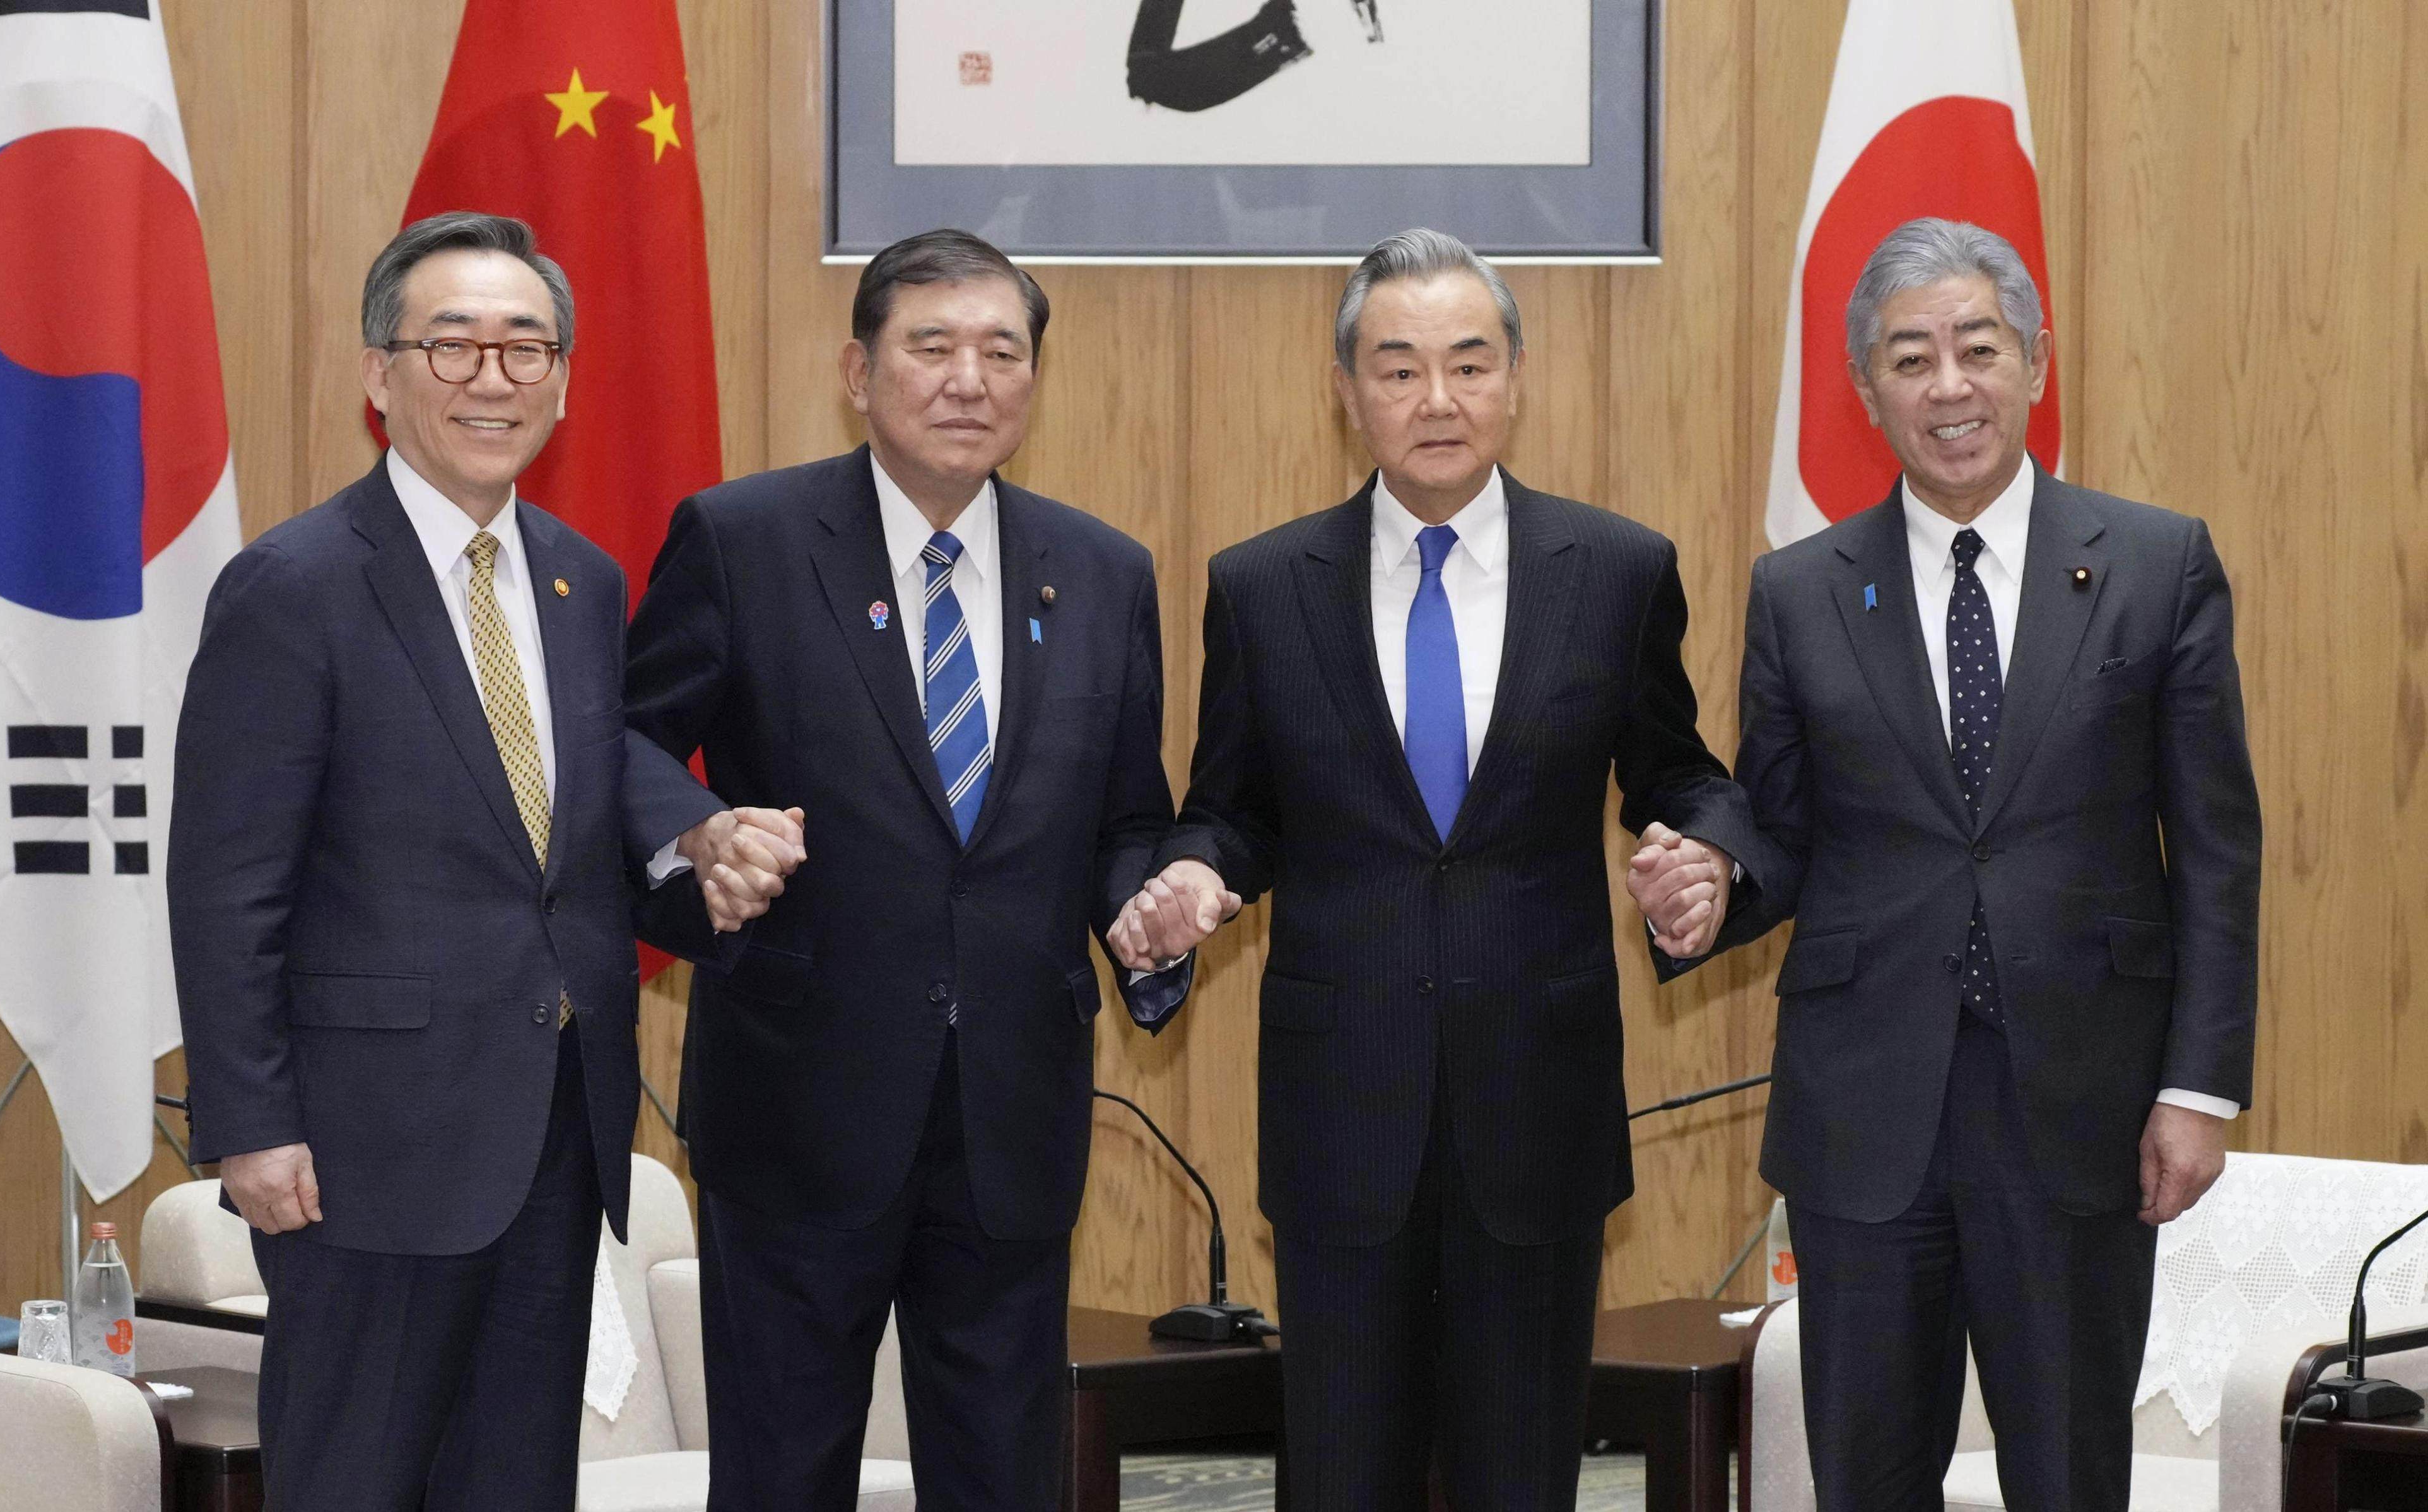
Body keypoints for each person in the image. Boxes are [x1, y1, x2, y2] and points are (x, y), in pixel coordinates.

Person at [168, 211, 794, 1512]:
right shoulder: (294, 583)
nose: (492, 377)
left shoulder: (581, 580)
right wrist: (251, 1118)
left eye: (525, 347)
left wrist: (694, 845)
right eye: (452, 346)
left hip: (556, 1123)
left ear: (562, 381)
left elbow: (565, 824)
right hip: (362, 1142)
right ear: (377, 374)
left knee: (515, 1485)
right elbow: (228, 880)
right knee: (357, 1479)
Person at [1132, 227, 1761, 1509]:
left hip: (1538, 1103)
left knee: (1519, 1475)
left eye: (1469, 364)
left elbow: (1678, 772)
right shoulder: (1261, 586)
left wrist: (1705, 851)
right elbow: (1229, 808)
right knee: (1341, 1474)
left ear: (1515, 378)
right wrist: (1196, 875)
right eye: (1399, 367)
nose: (1436, 399)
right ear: (1347, 389)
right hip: (1339, 1109)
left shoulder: (1616, 570)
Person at [623, 228, 1211, 1511]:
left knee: (1004, 1471)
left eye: (1002, 350)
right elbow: (626, 739)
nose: (969, 379)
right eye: (931, 346)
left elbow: (1124, 814)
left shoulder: (1102, 571)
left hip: (1011, 1105)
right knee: (782, 1472)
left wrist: (1148, 903)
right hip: (796, 1097)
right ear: (858, 368)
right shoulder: (745, 537)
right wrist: (697, 838)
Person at [1708, 216, 2260, 1509]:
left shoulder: (2155, 562)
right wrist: (1715, 880)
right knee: (1867, 1476)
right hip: (1863, 1109)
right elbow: (1778, 829)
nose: (1947, 385)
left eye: (1977, 347)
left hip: (2079, 1103)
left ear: (2034, 361)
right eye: (1910, 358)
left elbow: (2218, 845)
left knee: (2068, 1474)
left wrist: (2200, 1085)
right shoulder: (1797, 590)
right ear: (1865, 389)